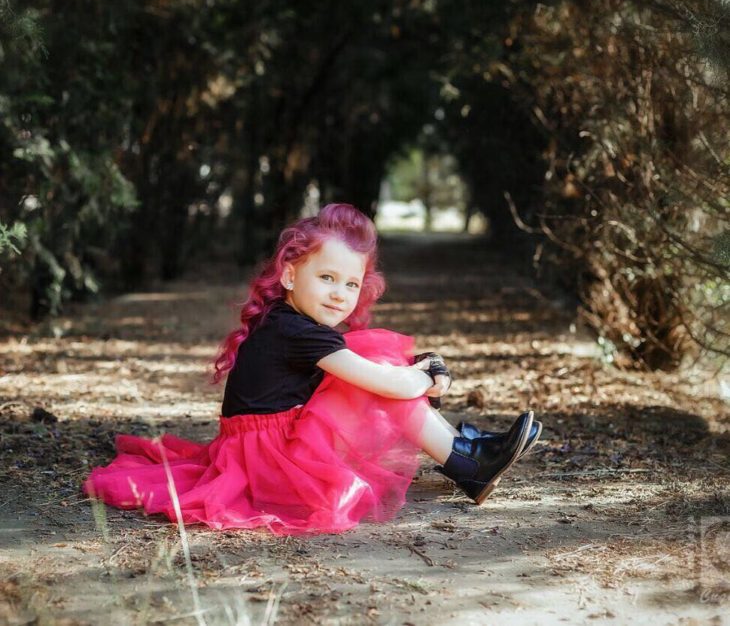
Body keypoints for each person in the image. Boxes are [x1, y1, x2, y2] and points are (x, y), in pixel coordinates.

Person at [82, 203, 541, 535]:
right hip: (273, 462)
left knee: (376, 357)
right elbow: (385, 383)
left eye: (351, 283)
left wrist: (422, 369)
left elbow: (385, 376)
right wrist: (424, 374)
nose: (340, 294)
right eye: (326, 278)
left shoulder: (291, 320)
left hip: (262, 447)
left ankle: (464, 451)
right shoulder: (300, 332)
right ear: (288, 276)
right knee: (379, 365)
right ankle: (468, 462)